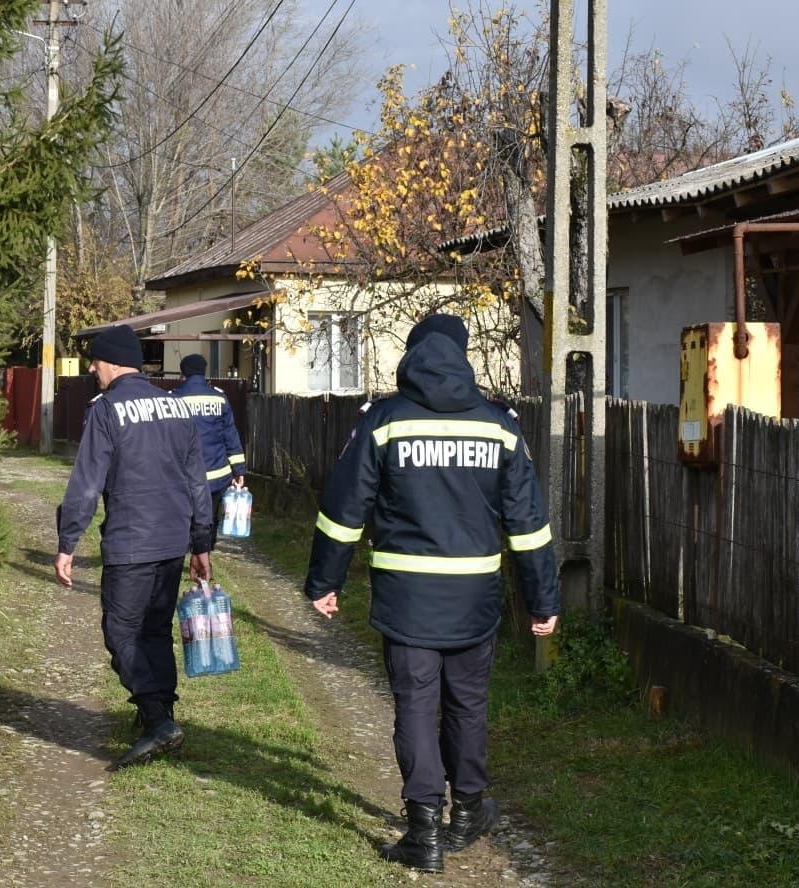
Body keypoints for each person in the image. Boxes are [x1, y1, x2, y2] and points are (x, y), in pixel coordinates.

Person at [304, 313, 561, 873]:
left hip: (406, 598)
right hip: (474, 599)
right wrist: (543, 600)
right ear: (462, 356)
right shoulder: (499, 425)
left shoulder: (383, 421)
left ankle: (424, 832)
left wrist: (325, 582)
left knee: (416, 707)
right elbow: (528, 523)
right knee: (467, 704)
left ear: (412, 353)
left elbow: (344, 509)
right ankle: (467, 812)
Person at [55, 324, 214, 770]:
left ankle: (157, 719)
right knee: (155, 630)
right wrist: (201, 543)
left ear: (112, 363)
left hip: (131, 542)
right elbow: (197, 482)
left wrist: (68, 542)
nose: (91, 369)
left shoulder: (106, 410)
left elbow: (87, 484)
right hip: (172, 542)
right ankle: (162, 717)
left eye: (95, 362)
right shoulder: (177, 407)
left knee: (121, 631)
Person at [171, 354, 246, 541]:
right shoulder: (220, 398)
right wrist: (239, 470)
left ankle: (188, 548)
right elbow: (231, 436)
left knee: (185, 520)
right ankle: (206, 550)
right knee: (209, 520)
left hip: (185, 477)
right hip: (217, 476)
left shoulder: (173, 399)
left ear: (183, 373)